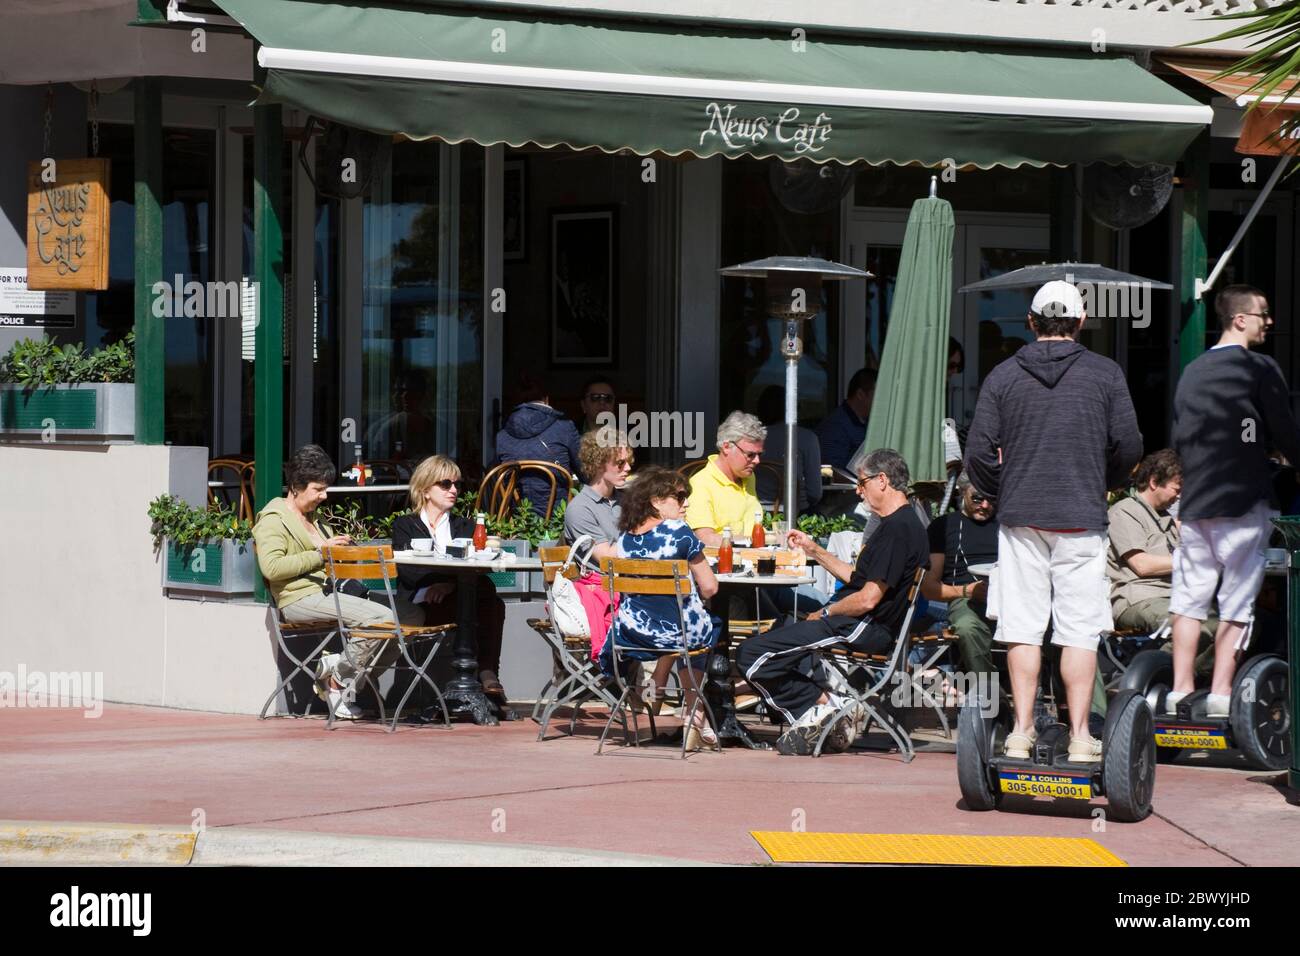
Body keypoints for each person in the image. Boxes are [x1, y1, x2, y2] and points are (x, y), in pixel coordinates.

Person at [965, 280, 1142, 763]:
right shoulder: (1105, 374)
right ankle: (1081, 734)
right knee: (1078, 630)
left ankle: (1021, 731)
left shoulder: (1003, 375)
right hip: (1081, 518)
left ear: (1031, 322)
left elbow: (977, 452)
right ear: (1081, 323)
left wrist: (1005, 490)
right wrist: (1098, 479)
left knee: (1022, 628)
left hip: (1021, 517)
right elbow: (1130, 446)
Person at [738, 449, 929, 756]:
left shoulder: (898, 529)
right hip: (859, 623)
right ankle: (825, 709)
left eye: (862, 482)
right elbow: (858, 578)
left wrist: (826, 611)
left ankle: (829, 707)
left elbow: (867, 599)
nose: (858, 490)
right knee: (777, 647)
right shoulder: (897, 524)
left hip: (862, 627)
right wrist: (814, 549)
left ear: (882, 480)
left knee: (752, 654)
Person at [1168, 284, 1300, 716]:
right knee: (1237, 602)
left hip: (1195, 503)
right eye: (1263, 314)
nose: (1269, 322)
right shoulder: (1259, 368)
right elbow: (1282, 429)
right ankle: (1222, 694)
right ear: (1240, 319)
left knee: (1188, 600)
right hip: (1243, 502)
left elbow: (1182, 436)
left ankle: (1179, 689)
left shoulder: (1191, 372)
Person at [252, 444, 424, 720]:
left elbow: (330, 559)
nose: (324, 495)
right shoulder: (274, 521)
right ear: (296, 486)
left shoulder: (316, 520)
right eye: (318, 489)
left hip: (332, 591)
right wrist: (322, 553)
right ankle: (337, 680)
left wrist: (345, 551)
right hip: (298, 597)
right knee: (381, 617)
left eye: (325, 488)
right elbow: (272, 568)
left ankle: (337, 671)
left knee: (410, 615)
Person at [600, 466, 721, 751]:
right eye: (679, 498)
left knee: (678, 624)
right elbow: (710, 588)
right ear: (656, 501)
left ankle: (660, 676)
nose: (686, 503)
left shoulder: (625, 539)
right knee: (707, 625)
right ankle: (695, 716)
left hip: (633, 633)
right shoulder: (680, 532)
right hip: (678, 634)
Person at [391, 455, 509, 702]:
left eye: (456, 485)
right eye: (445, 484)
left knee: (486, 595)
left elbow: (477, 564)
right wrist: (442, 581)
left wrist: (448, 584)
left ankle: (484, 676)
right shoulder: (405, 525)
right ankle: (487, 678)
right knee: (486, 601)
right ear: (425, 490)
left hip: (454, 599)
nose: (453, 490)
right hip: (421, 603)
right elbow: (409, 572)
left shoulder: (464, 527)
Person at [563, 426, 633, 659]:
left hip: (632, 589)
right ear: (600, 463)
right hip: (607, 594)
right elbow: (607, 558)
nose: (628, 468)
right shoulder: (580, 509)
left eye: (628, 462)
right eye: (620, 463)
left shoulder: (626, 499)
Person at [920, 472, 998, 677]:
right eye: (978, 498)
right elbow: (929, 588)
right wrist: (966, 591)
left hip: (1010, 597)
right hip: (965, 598)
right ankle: (992, 694)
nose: (985, 505)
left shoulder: (1007, 525)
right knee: (966, 627)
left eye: (992, 498)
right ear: (962, 492)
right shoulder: (944, 526)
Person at [494, 372, 582, 516]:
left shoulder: (501, 436)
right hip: (559, 517)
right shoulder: (565, 428)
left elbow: (500, 483)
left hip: (517, 520)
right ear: (546, 399)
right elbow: (586, 473)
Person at [685, 410, 766, 547]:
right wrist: (748, 541)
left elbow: (753, 528)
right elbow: (705, 539)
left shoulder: (749, 477)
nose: (757, 460)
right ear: (726, 447)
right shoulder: (700, 484)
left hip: (751, 558)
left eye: (759, 454)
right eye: (750, 454)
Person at [754, 384, 823, 513]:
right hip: (795, 512)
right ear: (793, 410)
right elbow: (815, 493)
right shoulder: (807, 438)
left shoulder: (751, 438)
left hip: (755, 511)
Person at [815, 368, 876, 472]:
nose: (881, 402)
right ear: (861, 394)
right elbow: (831, 472)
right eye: (877, 395)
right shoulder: (835, 427)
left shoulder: (867, 423)